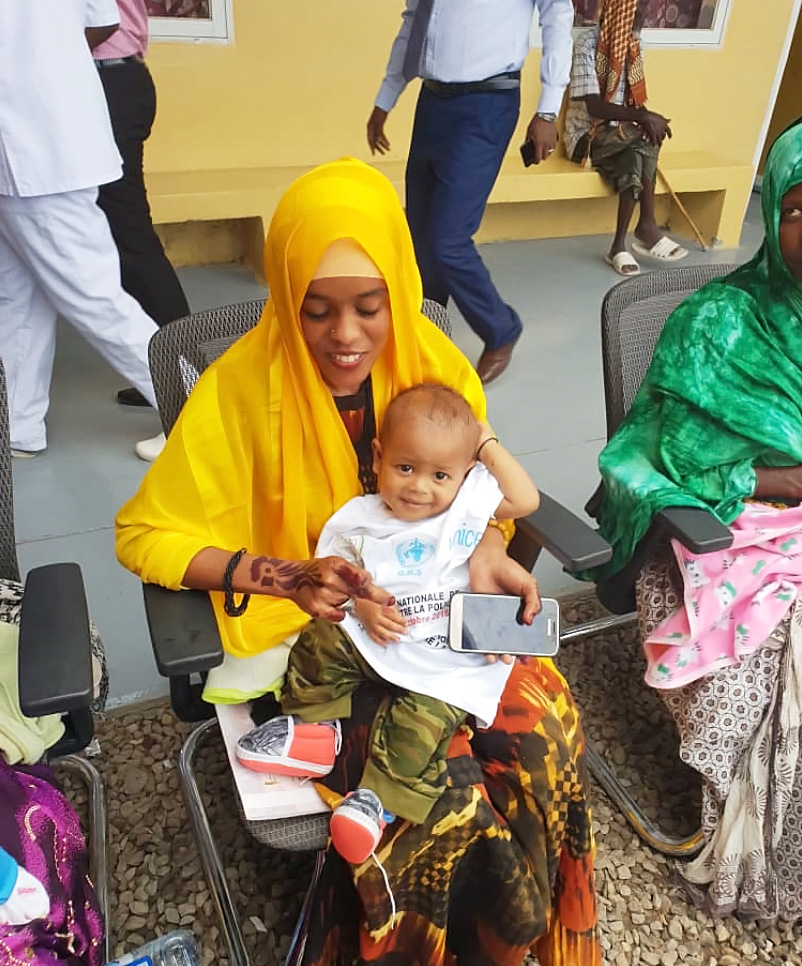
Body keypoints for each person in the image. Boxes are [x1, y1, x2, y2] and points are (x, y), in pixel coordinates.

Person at [116, 158, 600, 965]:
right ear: (285, 296)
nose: (345, 336)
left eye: (369, 307)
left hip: (440, 617)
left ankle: (536, 945)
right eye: (317, 310)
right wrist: (285, 575)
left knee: (548, 733)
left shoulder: (436, 371)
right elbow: (145, 534)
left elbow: (476, 495)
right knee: (447, 803)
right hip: (327, 642)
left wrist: (487, 551)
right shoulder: (239, 391)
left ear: (400, 292)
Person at [586, 118, 802, 920]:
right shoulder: (717, 325)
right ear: (773, 211)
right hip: (718, 534)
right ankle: (765, 856)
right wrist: (783, 478)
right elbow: (661, 460)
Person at [236, 382, 540, 865]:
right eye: (405, 467)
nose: (420, 486)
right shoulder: (359, 518)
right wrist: (359, 607)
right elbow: (335, 581)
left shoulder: (466, 506)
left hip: (444, 657)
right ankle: (317, 733)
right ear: (378, 456)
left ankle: (375, 804)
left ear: (465, 474)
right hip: (377, 636)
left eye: (440, 474)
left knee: (420, 725)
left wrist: (482, 441)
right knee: (321, 639)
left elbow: (524, 500)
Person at [366, 0, 574, 385]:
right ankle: (428, 329)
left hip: (487, 104)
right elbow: (415, 22)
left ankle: (500, 329)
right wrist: (386, 98)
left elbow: (557, 18)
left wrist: (548, 110)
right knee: (421, 233)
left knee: (448, 239)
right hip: (432, 101)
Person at [0, 0, 161, 459]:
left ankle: (205, 410)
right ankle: (17, 426)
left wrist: (32, 63)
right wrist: (49, 58)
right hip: (52, 136)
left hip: (31, 149)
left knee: (95, 298)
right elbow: (103, 19)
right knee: (19, 296)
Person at [93, 0, 191, 416]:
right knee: (119, 234)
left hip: (110, 81)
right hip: (113, 78)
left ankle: (183, 373)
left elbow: (100, 24)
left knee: (129, 233)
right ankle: (160, 366)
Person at [563, 0, 688, 276]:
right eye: (639, 10)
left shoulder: (632, 45)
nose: (645, 15)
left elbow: (632, 101)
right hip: (586, 137)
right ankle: (646, 225)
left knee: (638, 148)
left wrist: (647, 119)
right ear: (620, 11)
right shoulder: (586, 45)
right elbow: (595, 108)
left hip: (619, 136)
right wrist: (644, 119)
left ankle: (619, 246)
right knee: (643, 137)